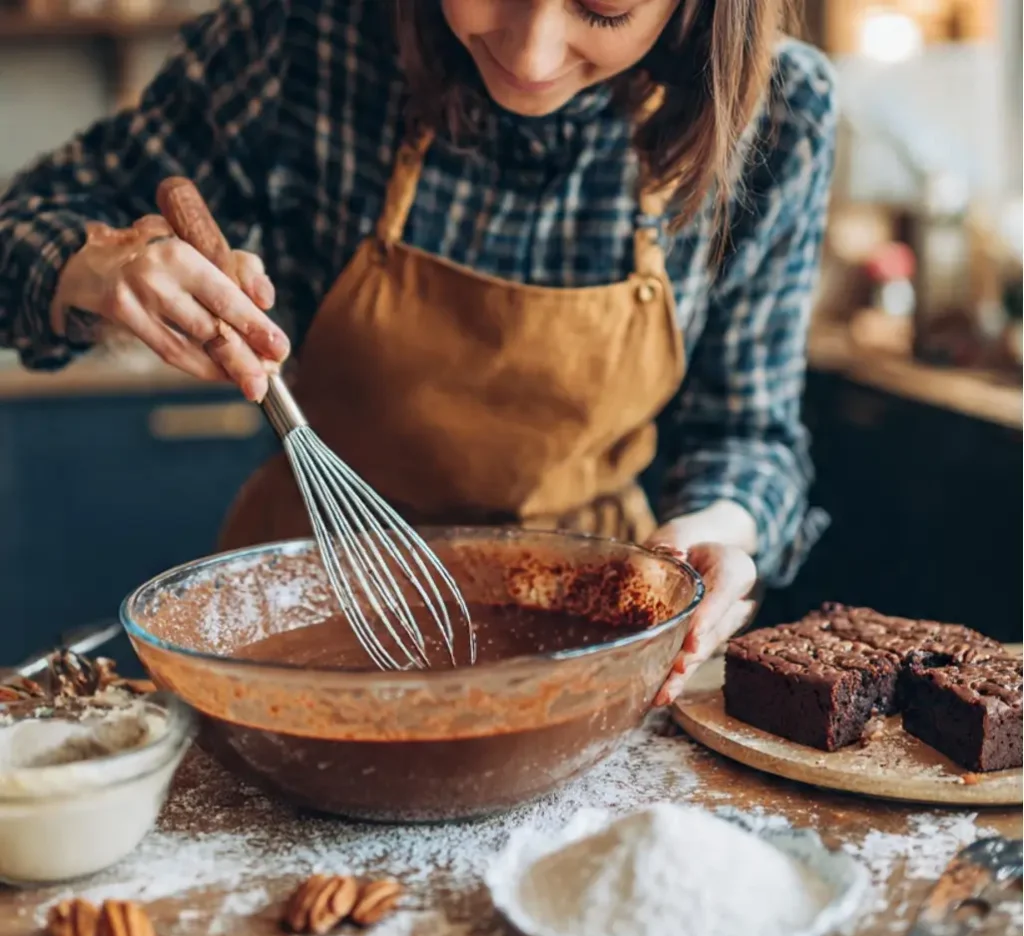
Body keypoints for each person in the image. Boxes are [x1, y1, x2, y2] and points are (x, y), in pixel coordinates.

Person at [0, 0, 836, 701]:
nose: (532, 51)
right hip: (307, 615)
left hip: (595, 643)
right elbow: (23, 224)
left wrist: (716, 532)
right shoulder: (306, 40)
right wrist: (93, 268)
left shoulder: (779, 112)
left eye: (604, 7)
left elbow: (747, 435)